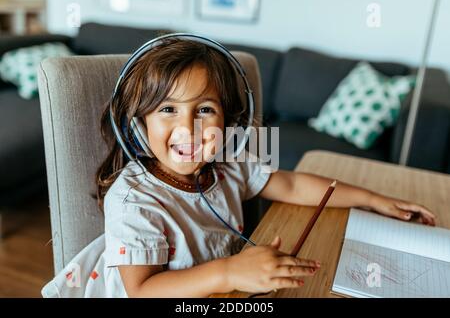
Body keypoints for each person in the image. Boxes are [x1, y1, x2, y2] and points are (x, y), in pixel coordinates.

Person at [42, 36, 436, 298]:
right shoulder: (134, 202)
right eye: (167, 110)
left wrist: (372, 199)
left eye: (205, 110)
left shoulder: (227, 160)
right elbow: (144, 291)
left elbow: (293, 185)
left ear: (229, 123)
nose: (188, 127)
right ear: (138, 124)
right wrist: (229, 273)